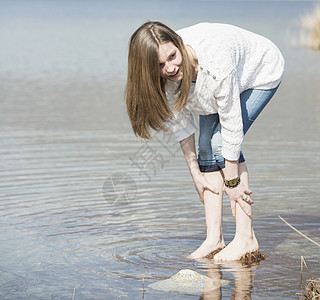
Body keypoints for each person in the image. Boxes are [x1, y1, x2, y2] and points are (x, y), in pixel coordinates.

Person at [126, 21, 284, 261]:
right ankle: (214, 239)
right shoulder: (165, 77)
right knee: (205, 149)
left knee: (221, 144)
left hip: (258, 71)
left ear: (179, 43)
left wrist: (231, 184)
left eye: (172, 56)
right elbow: (181, 124)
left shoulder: (215, 61)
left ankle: (246, 238)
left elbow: (231, 125)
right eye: (160, 65)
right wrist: (196, 175)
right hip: (220, 86)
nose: (170, 68)